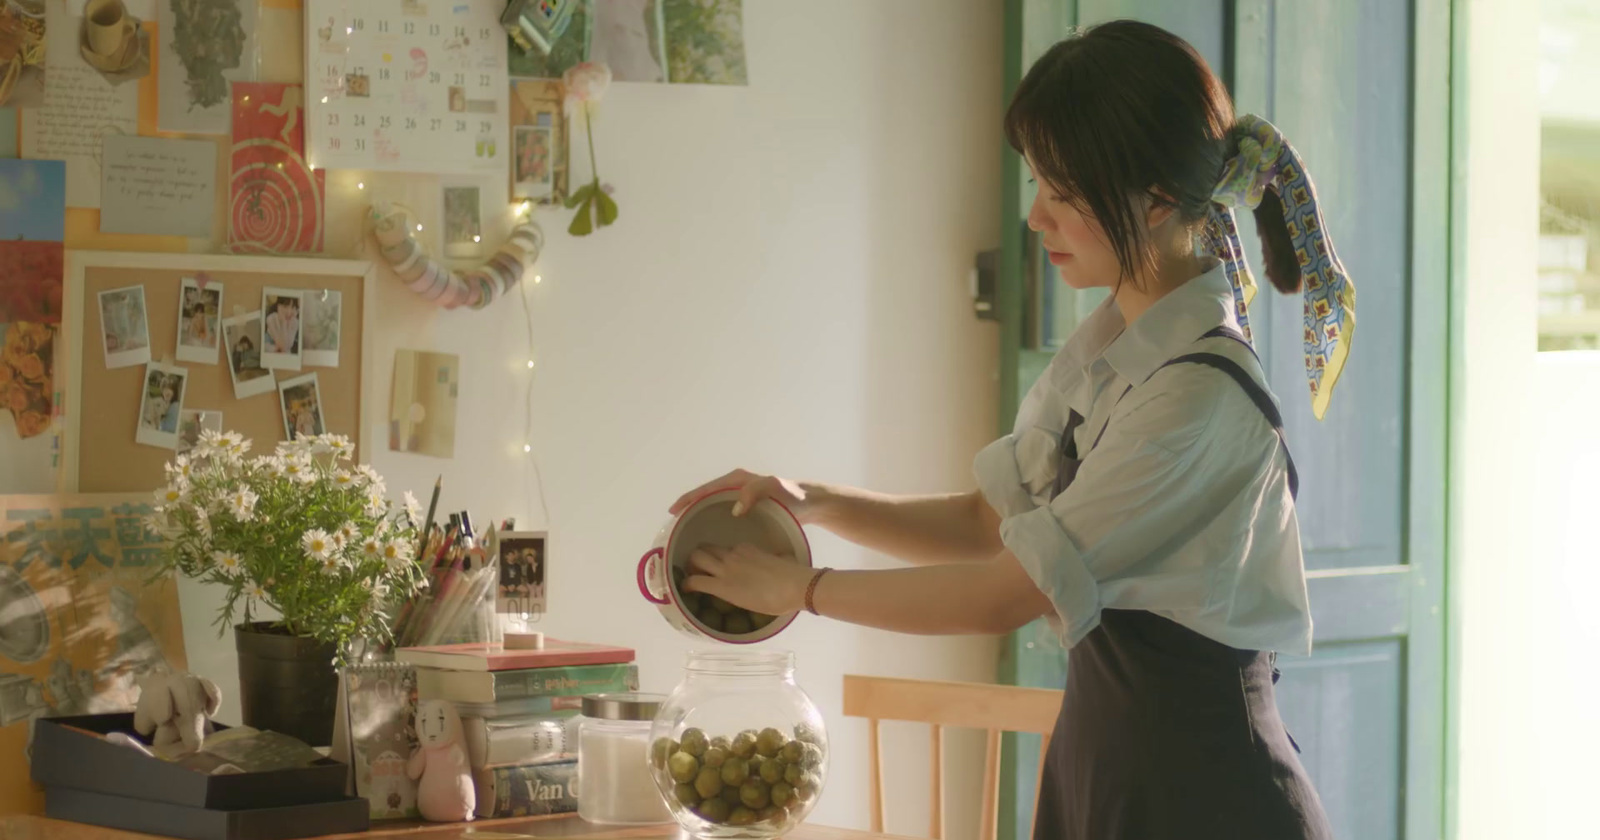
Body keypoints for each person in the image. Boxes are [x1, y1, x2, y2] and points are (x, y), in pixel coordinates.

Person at [669, 20, 1355, 840]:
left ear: (1158, 199)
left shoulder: (1195, 402)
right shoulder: (1110, 347)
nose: (1035, 218)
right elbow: (987, 520)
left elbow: (1007, 590)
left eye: (1063, 194)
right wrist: (810, 501)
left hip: (1206, 793)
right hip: (1106, 772)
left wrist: (800, 593)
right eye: (1035, 184)